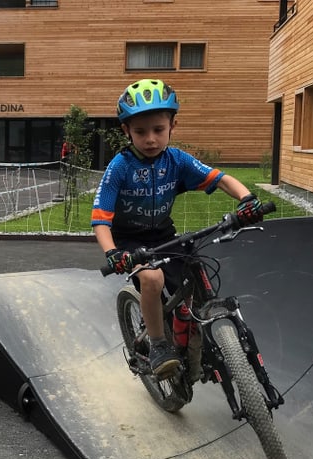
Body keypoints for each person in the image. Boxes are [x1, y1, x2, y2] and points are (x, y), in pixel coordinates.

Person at [92, 79, 265, 379]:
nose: (150, 139)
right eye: (140, 131)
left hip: (163, 235)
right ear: (126, 131)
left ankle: (198, 335)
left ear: (173, 125)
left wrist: (247, 200)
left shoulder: (177, 160)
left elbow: (220, 178)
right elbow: (100, 218)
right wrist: (113, 253)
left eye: (158, 130)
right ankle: (158, 344)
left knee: (197, 269)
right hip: (129, 241)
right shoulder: (119, 167)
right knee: (152, 277)